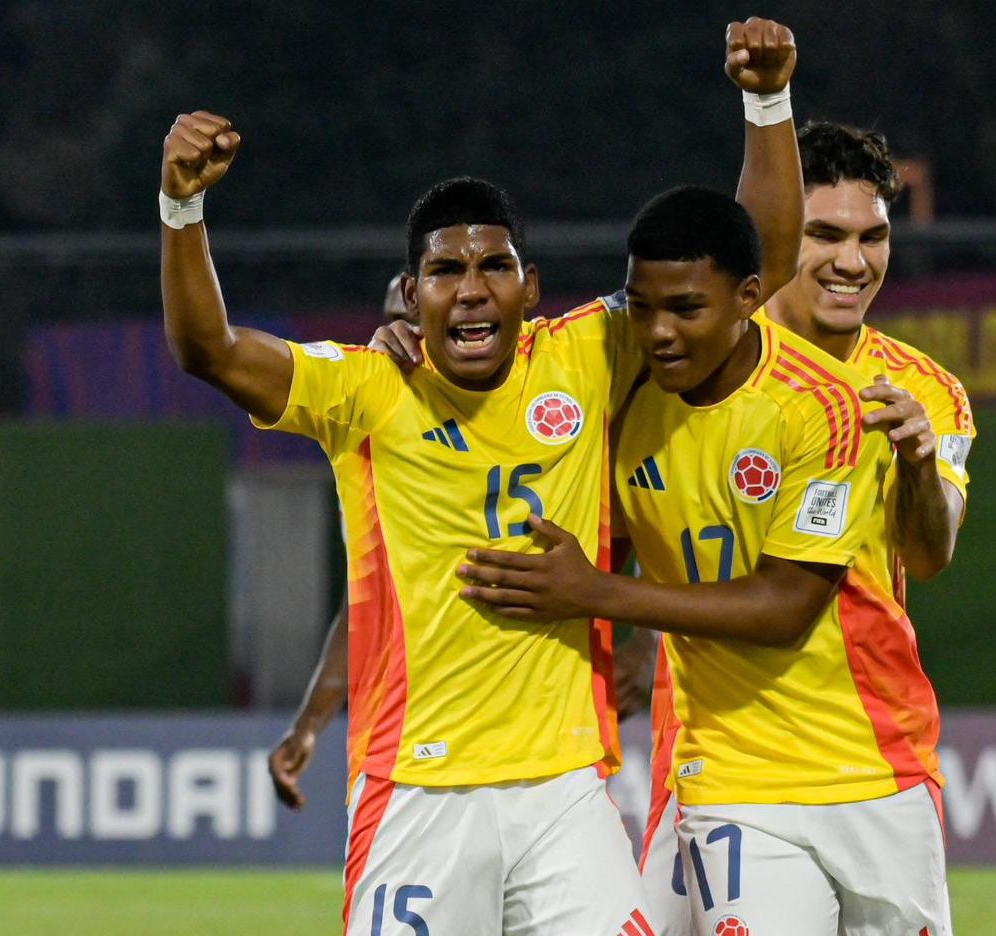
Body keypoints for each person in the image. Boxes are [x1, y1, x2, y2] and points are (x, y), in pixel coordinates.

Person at [159, 18, 801, 934]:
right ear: (411, 294)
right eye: (445, 270)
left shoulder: (588, 355)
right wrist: (182, 210)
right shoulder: (364, 392)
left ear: (529, 287)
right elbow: (207, 349)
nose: (470, 287)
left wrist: (766, 99)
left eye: (493, 266)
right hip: (419, 792)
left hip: (568, 794)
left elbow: (759, 265)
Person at [461, 186, 956, 933]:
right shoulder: (623, 397)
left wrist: (598, 595)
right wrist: (410, 343)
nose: (657, 332)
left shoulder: (827, 407)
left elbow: (788, 608)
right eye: (643, 308)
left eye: (684, 310)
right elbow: (504, 372)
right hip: (733, 777)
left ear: (747, 298)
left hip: (875, 765)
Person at [266, 271, 415, 813]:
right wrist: (307, 727)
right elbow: (366, 606)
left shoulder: (531, 411)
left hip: (544, 760)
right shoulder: (366, 444)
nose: (402, 339)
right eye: (395, 323)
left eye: (417, 325)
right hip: (407, 754)